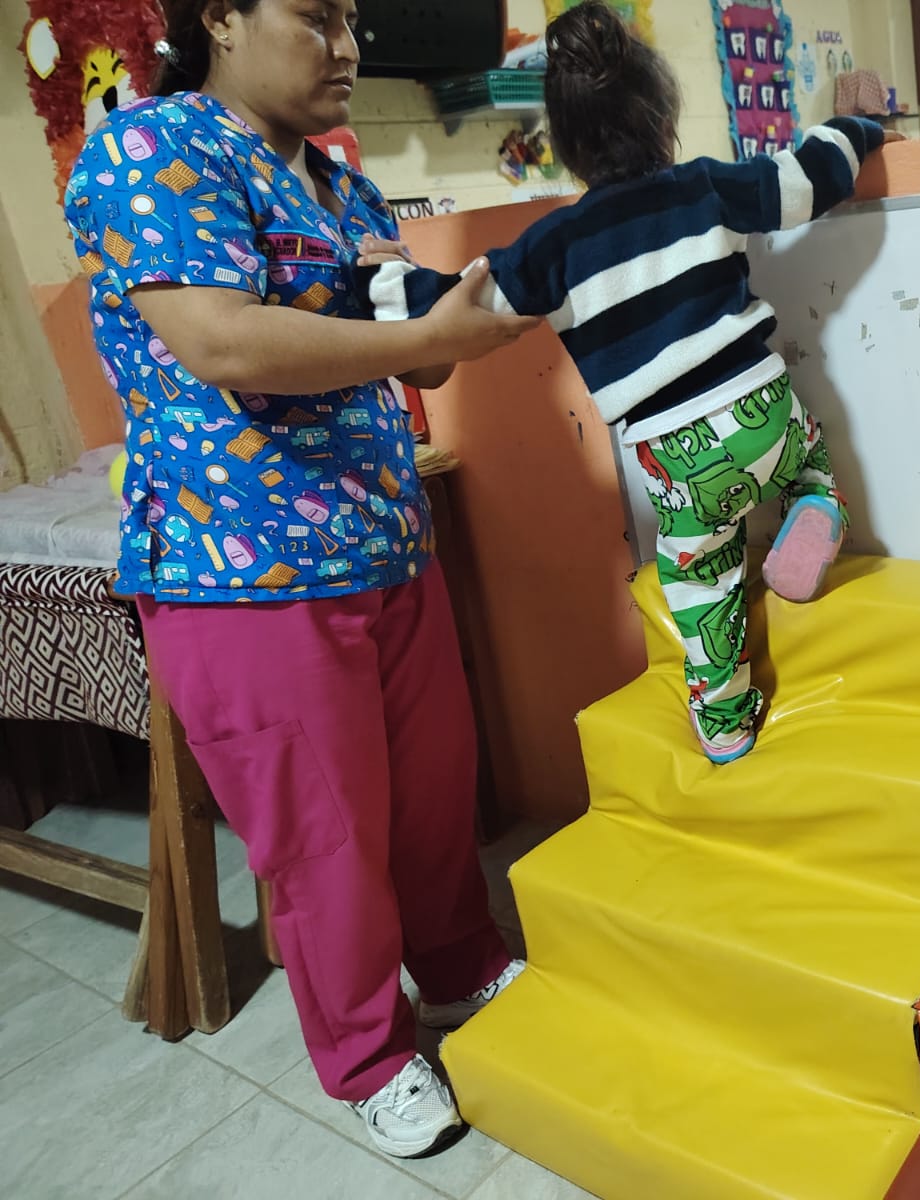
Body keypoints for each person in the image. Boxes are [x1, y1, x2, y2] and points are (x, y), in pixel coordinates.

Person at [63, 0, 541, 1159]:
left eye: (353, 19)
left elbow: (415, 353)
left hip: (383, 541)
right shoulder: (148, 148)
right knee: (324, 840)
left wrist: (455, 315)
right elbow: (224, 341)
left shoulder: (340, 183)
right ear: (222, 17)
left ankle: (460, 966)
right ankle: (367, 1057)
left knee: (433, 799)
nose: (348, 47)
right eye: (317, 17)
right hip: (243, 570)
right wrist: (422, 338)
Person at [362, 0, 899, 765]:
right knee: (810, 459)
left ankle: (726, 722)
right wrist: (859, 125)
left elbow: (461, 303)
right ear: (662, 116)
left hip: (678, 458)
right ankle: (813, 503)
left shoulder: (555, 245)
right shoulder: (705, 187)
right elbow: (808, 178)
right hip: (763, 406)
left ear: (565, 145)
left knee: (704, 578)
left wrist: (381, 281)